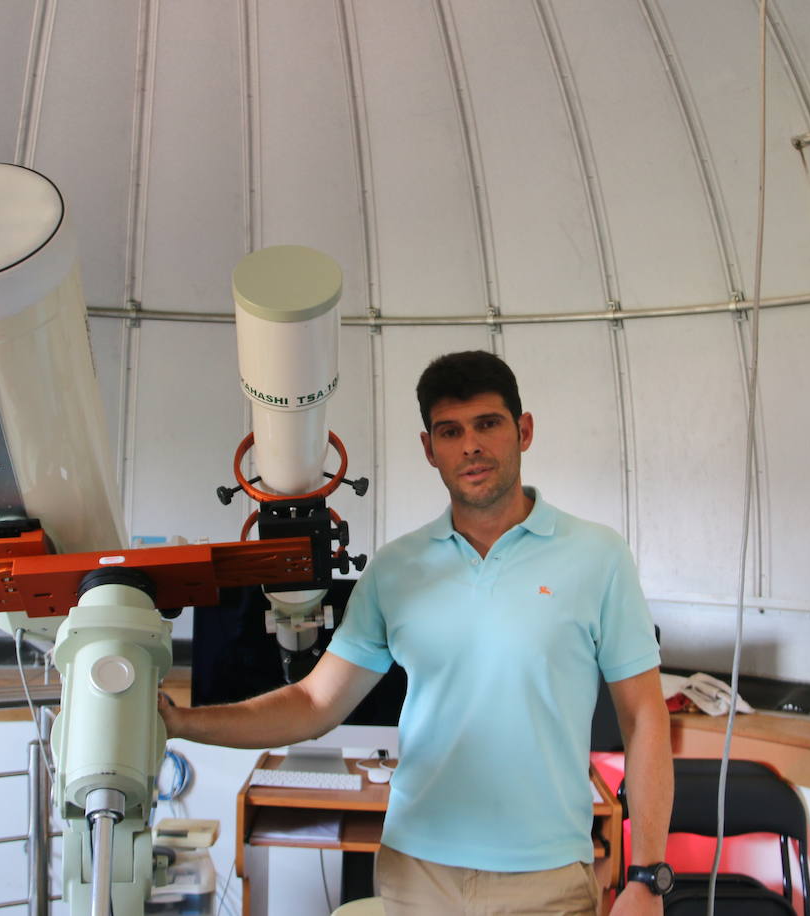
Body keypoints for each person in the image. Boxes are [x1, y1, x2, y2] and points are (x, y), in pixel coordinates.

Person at [161, 350, 672, 915]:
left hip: (547, 878)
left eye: (488, 424)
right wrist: (183, 722)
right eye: (450, 431)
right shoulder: (395, 569)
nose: (470, 446)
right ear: (429, 448)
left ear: (523, 431)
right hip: (415, 873)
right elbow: (313, 701)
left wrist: (647, 877)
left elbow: (644, 715)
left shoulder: (598, 557)